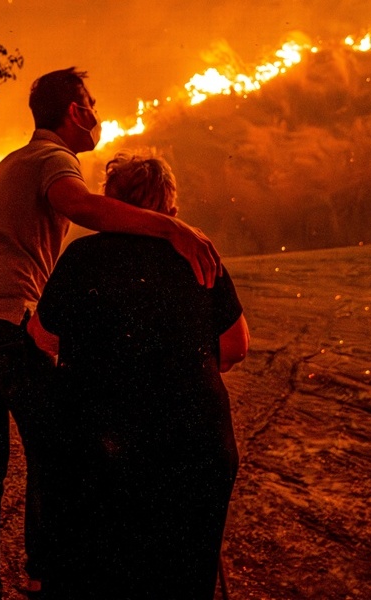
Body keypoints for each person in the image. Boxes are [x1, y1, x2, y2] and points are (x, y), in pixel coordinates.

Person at [0, 68, 223, 600]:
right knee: (60, 445)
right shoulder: (54, 159)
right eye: (92, 103)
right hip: (0, 323)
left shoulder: (12, 162)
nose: (98, 114)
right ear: (75, 111)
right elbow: (83, 207)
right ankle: (48, 574)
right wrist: (172, 226)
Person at [36, 152, 250, 600]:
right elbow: (236, 346)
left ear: (111, 202)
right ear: (170, 206)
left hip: (103, 451)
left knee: (104, 579)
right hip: (198, 448)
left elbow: (42, 334)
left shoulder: (83, 257)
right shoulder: (198, 254)